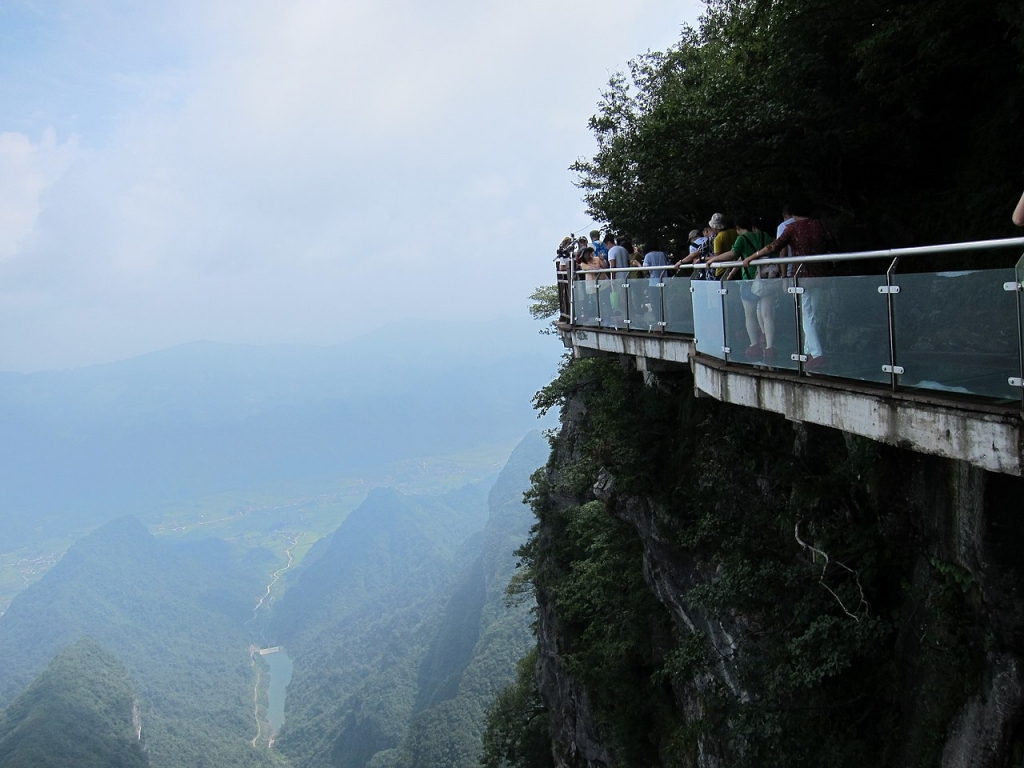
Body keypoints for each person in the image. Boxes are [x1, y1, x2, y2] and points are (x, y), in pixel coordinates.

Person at [745, 203, 836, 369]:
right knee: (813, 313)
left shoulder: (793, 227)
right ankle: (809, 351)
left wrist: (752, 257)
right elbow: (831, 245)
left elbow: (774, 246)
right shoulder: (821, 225)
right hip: (821, 274)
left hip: (802, 276)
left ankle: (817, 354)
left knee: (807, 314)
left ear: (794, 213)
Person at [709, 215, 774, 359]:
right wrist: (732, 272)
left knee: (749, 315)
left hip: (749, 281)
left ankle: (754, 345)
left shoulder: (742, 239)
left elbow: (734, 254)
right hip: (767, 278)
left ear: (738, 228)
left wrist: (715, 259)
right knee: (767, 315)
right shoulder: (764, 236)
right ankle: (770, 348)